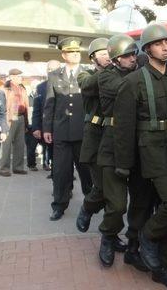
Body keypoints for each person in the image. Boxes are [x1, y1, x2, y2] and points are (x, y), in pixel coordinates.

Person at [113, 23, 167, 289]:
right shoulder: (133, 82)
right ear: (147, 49)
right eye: (159, 44)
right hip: (152, 152)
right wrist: (123, 165)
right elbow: (123, 128)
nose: (165, 47)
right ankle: (146, 238)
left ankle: (162, 265)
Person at [94, 35, 139, 267]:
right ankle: (108, 236)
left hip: (138, 144)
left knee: (140, 202)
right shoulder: (107, 77)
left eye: (134, 54)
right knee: (117, 204)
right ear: (114, 59)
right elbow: (128, 88)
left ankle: (132, 242)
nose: (132, 59)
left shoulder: (137, 72)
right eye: (127, 56)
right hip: (112, 146)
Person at [43, 38, 92, 221]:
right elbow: (49, 102)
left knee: (86, 171)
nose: (75, 55)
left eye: (77, 52)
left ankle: (90, 203)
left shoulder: (88, 74)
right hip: (61, 132)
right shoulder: (55, 75)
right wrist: (47, 128)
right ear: (63, 55)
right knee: (61, 173)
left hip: (83, 132)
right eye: (71, 52)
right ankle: (59, 206)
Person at [75, 38, 111, 234]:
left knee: (115, 190)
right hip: (95, 136)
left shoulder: (118, 73)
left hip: (114, 135)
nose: (106, 57)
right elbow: (88, 85)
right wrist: (112, 70)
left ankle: (110, 233)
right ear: (93, 58)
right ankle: (87, 207)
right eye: (101, 53)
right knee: (102, 186)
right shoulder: (85, 74)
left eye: (108, 52)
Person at [0, 69, 29, 176]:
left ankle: (18, 167)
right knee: (6, 144)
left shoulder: (22, 88)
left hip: (20, 117)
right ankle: (4, 168)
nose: (21, 78)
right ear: (12, 77)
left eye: (21, 76)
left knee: (20, 143)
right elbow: (0, 106)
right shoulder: (4, 88)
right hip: (9, 117)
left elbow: (25, 105)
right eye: (19, 76)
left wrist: (26, 121)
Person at [32, 60, 61, 174]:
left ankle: (64, 174)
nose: (51, 71)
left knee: (64, 154)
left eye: (54, 69)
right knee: (50, 150)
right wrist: (36, 127)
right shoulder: (41, 87)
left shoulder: (67, 84)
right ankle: (55, 174)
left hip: (63, 125)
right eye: (49, 69)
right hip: (47, 126)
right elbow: (37, 110)